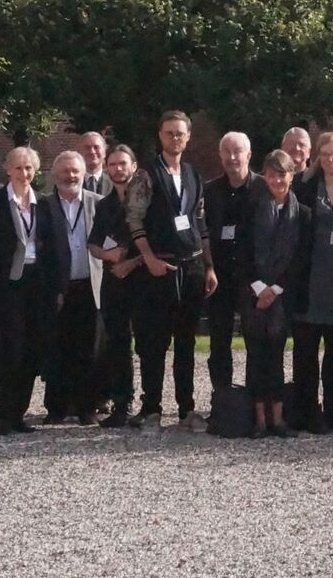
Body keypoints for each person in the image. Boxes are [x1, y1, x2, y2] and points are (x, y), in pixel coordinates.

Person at [126, 110, 214, 429]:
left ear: (188, 137)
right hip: (159, 267)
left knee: (186, 342)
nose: (175, 138)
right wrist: (148, 258)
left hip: (191, 266)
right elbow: (134, 217)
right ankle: (151, 408)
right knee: (154, 342)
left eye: (180, 133)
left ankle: (186, 409)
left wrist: (209, 266)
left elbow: (200, 221)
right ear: (160, 135)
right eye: (169, 133)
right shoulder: (146, 174)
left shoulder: (192, 174)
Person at [0, 146, 48, 435]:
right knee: (11, 349)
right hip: (7, 284)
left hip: (36, 283)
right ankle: (5, 416)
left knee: (31, 348)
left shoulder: (43, 202)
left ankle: (19, 414)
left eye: (29, 168)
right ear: (8, 170)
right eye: (19, 168)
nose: (24, 173)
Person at [237, 150, 307, 437]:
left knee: (277, 358)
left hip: (282, 294)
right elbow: (242, 252)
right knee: (255, 357)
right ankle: (259, 420)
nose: (277, 180)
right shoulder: (250, 208)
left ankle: (277, 419)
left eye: (282, 174)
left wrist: (275, 290)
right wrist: (259, 288)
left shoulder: (302, 214)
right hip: (252, 293)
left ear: (292, 176)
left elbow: (300, 258)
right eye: (271, 174)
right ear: (264, 176)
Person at [293, 130, 333, 433]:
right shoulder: (303, 188)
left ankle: (332, 407)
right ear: (318, 157)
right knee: (306, 352)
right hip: (310, 281)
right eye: (325, 154)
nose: (331, 159)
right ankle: (308, 410)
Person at [37, 149, 101, 424]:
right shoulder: (42, 206)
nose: (70, 175)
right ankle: (56, 407)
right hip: (58, 288)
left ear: (83, 174)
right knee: (56, 347)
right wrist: (51, 288)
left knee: (89, 348)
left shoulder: (98, 203)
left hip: (90, 285)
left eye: (75, 171)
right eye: (65, 171)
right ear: (55, 175)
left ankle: (87, 407)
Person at [88, 146, 142, 427]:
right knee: (117, 344)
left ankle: (151, 405)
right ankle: (122, 404)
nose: (118, 169)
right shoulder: (104, 205)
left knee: (147, 344)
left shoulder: (148, 202)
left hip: (143, 280)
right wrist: (108, 255)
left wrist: (130, 263)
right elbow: (93, 243)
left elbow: (160, 242)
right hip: (113, 284)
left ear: (134, 166)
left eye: (123, 163)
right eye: (113, 164)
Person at [202, 132, 255, 398]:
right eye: (227, 152)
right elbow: (203, 232)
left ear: (249, 155)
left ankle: (256, 401)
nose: (232, 157)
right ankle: (221, 399)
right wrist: (208, 267)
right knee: (219, 342)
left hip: (252, 277)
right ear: (220, 155)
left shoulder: (262, 189)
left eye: (238, 151)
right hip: (219, 277)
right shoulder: (209, 191)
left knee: (256, 341)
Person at [79, 132, 112, 196]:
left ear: (104, 152)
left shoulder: (115, 183)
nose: (92, 151)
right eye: (87, 147)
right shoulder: (70, 182)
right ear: (79, 152)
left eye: (96, 147)